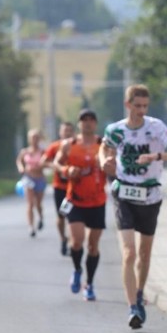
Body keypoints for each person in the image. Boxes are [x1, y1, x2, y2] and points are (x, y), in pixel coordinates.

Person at [99, 84, 167, 329]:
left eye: (145, 106)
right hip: (123, 193)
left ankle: (139, 292)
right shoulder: (116, 130)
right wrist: (104, 160)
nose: (141, 110)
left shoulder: (156, 128)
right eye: (137, 106)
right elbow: (105, 146)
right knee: (129, 252)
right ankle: (132, 307)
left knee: (144, 253)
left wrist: (157, 156)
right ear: (127, 105)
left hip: (150, 195)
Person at [56, 109, 107, 302]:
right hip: (75, 199)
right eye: (84, 120)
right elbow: (56, 164)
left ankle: (90, 283)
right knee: (76, 242)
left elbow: (112, 164)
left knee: (93, 246)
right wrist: (66, 169)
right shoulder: (69, 145)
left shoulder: (102, 144)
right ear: (79, 123)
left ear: (95, 123)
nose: (87, 123)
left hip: (97, 200)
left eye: (91, 120)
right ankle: (77, 270)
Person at [43, 121, 75, 255]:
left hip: (74, 187)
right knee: (61, 216)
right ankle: (63, 238)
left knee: (74, 217)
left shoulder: (77, 145)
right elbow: (43, 162)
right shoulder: (54, 147)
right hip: (60, 186)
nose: (67, 133)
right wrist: (57, 167)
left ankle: (73, 243)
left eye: (69, 130)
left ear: (73, 132)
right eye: (64, 130)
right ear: (60, 132)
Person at [15, 129, 47, 238]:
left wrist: (42, 165)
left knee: (38, 204)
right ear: (29, 139)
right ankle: (31, 226)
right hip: (28, 179)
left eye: (36, 137)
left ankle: (41, 217)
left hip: (40, 179)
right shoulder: (25, 151)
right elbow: (19, 161)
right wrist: (21, 167)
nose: (34, 140)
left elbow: (48, 162)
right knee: (30, 204)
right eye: (32, 138)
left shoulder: (43, 151)